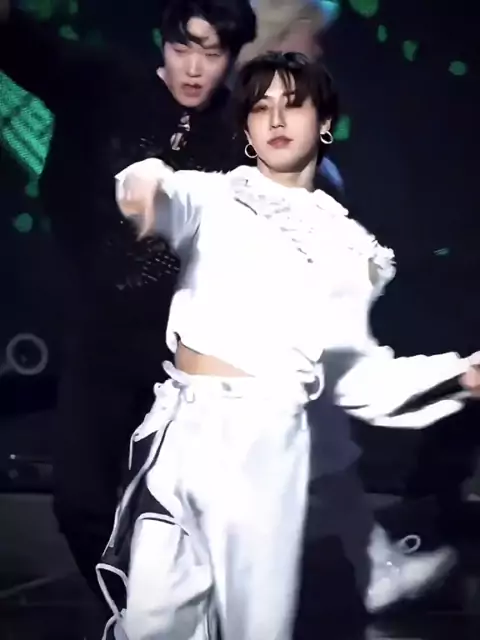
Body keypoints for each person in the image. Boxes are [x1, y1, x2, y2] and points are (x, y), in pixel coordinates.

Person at [102, 52, 480, 640]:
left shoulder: (349, 250)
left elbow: (359, 377)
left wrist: (461, 375)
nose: (276, 119)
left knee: (254, 627)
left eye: (293, 104)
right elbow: (158, 189)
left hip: (261, 447)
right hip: (181, 431)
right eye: (261, 108)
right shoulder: (216, 196)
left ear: (323, 122)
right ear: (247, 129)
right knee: (153, 621)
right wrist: (143, 187)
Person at [0, 0, 259, 599]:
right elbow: (28, 45)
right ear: (162, 42)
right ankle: (132, 615)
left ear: (232, 55)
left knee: (187, 514)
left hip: (190, 356)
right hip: (103, 336)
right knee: (81, 503)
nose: (193, 67)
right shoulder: (104, 84)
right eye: (183, 47)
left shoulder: (240, 130)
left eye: (211, 52)